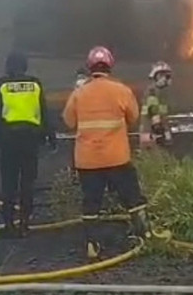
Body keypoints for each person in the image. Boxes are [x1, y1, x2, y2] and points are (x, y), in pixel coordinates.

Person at [63, 45, 150, 260]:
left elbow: (68, 121)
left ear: (90, 67)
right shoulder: (122, 90)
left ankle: (92, 244)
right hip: (117, 157)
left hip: (88, 160)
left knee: (91, 201)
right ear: (110, 65)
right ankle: (144, 234)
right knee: (132, 197)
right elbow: (134, 117)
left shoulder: (79, 93)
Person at [0, 51, 55, 237]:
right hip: (30, 138)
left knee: (8, 183)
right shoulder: (35, 84)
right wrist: (50, 137)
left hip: (8, 138)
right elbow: (43, 111)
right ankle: (25, 222)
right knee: (28, 182)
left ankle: (9, 223)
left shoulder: (2, 84)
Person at [139, 61, 173, 149]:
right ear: (158, 76)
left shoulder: (158, 92)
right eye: (167, 76)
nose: (169, 79)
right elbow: (153, 111)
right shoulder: (152, 92)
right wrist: (161, 134)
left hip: (152, 135)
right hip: (152, 136)